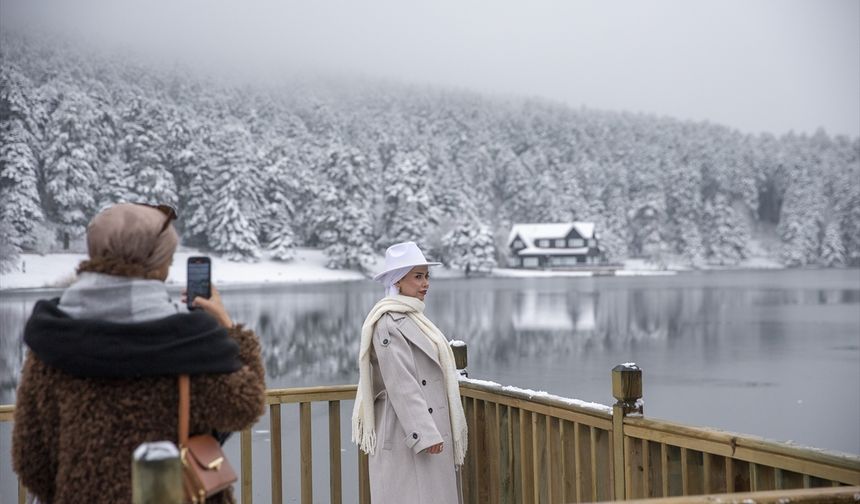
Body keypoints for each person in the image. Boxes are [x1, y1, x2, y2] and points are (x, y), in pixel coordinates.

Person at [12, 203, 266, 504]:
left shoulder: (52, 338)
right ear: (156, 264)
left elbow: (31, 460)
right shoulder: (189, 340)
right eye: (167, 260)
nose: (168, 268)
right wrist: (226, 324)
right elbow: (246, 403)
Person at [352, 241, 468, 504]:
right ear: (398, 282)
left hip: (427, 428)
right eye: (418, 276)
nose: (425, 283)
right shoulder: (387, 324)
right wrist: (424, 434)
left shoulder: (415, 317)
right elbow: (401, 384)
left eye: (427, 276)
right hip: (407, 433)